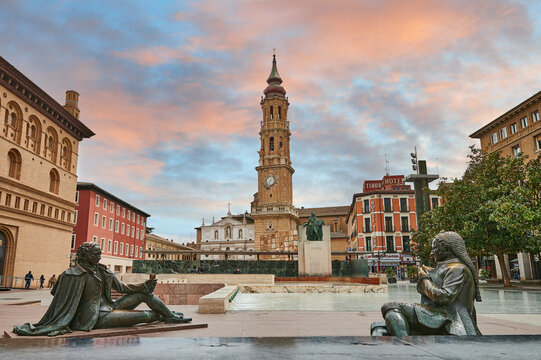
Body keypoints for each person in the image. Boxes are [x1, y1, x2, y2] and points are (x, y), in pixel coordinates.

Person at [14, 243, 191, 336]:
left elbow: (122, 288)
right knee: (147, 316)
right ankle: (164, 314)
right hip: (95, 317)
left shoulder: (103, 270)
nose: (99, 256)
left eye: (99, 253)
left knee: (145, 295)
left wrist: (144, 286)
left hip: (110, 308)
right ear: (84, 255)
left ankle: (171, 316)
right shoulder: (71, 275)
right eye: (95, 254)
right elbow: (58, 300)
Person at [371, 231, 482, 336]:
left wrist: (425, 279)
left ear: (447, 249)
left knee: (391, 307)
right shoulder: (449, 267)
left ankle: (405, 344)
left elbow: (445, 297)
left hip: (449, 318)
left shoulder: (457, 269)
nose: (432, 253)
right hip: (439, 315)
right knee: (378, 327)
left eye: (435, 249)